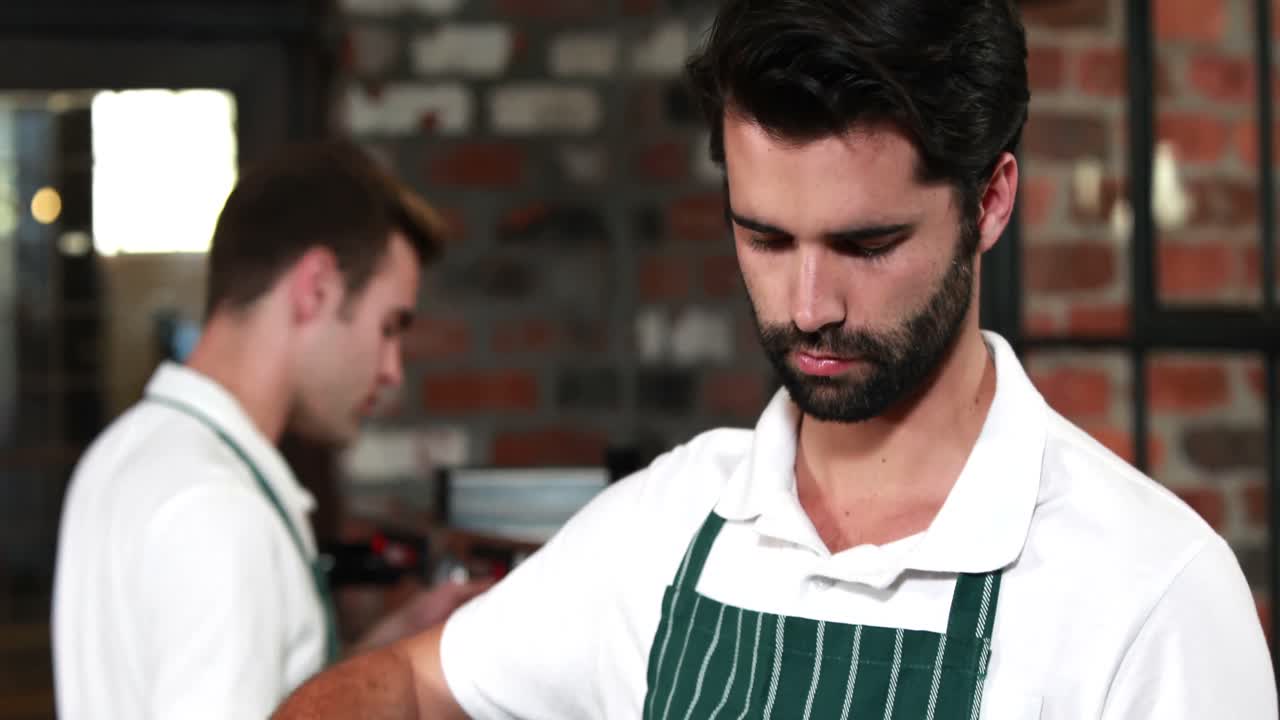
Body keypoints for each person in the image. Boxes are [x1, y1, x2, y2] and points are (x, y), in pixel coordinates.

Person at [277, 0, 1278, 717]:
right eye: (762, 238)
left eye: (864, 245)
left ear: (989, 200)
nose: (807, 309)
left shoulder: (1149, 594)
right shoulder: (665, 532)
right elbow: (405, 684)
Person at [51, 140, 490, 719]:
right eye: (388, 326)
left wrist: (393, 649)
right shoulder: (219, 511)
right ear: (317, 288)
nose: (392, 368)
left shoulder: (127, 451)